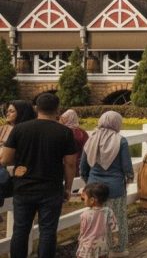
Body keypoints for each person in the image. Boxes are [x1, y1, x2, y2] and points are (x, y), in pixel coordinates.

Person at [2, 93, 77, 258]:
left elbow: (5, 159)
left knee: (20, 230)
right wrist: (68, 187)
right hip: (51, 188)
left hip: (23, 187)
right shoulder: (64, 132)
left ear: (36, 108)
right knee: (48, 231)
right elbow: (70, 163)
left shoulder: (20, 129)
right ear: (57, 110)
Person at [80, 111, 134, 257]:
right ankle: (117, 250)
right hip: (115, 188)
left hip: (93, 189)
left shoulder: (91, 140)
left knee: (93, 222)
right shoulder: (121, 141)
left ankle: (93, 250)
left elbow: (83, 167)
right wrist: (128, 180)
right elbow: (127, 167)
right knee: (117, 219)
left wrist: (89, 182)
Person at [77, 182, 118, 258]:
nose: (83, 199)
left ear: (92, 200)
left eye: (85, 197)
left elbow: (83, 232)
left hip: (88, 246)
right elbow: (114, 226)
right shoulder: (108, 211)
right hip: (102, 244)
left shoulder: (85, 215)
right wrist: (115, 237)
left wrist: (80, 241)